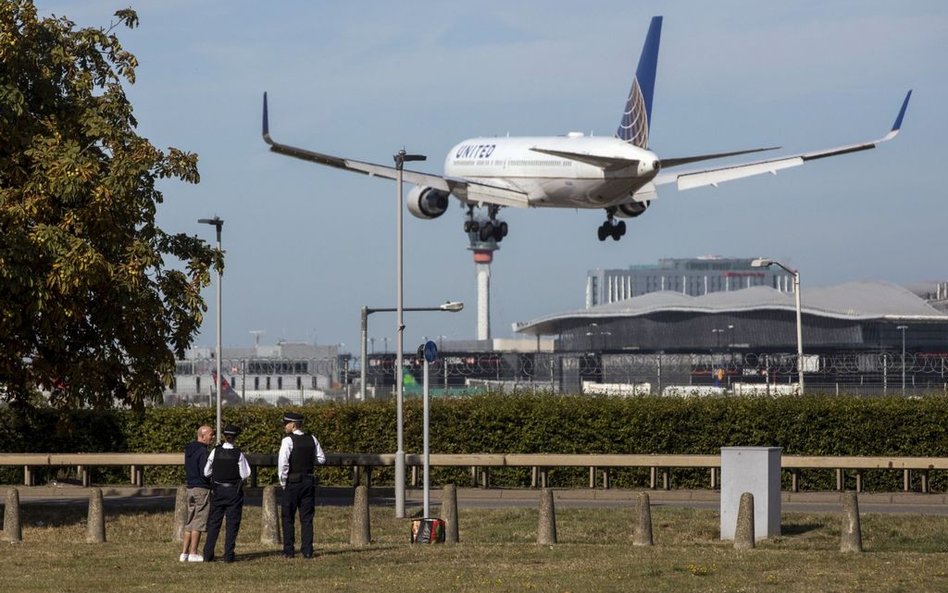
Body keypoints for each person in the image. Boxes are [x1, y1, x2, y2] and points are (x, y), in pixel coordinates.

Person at [278, 411, 326, 558]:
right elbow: (321, 459)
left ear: (293, 425)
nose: (284, 426)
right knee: (306, 517)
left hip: (292, 482)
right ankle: (307, 550)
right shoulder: (312, 439)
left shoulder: (287, 441)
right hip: (308, 481)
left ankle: (289, 550)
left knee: (288, 517)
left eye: (286, 423)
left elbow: (283, 464)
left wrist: (283, 482)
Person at [202, 424, 251, 563]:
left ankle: (208, 554)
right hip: (233, 492)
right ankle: (228, 555)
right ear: (236, 437)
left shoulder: (215, 452)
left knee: (214, 523)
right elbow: (245, 473)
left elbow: (206, 472)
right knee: (232, 524)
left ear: (224, 436)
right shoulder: (238, 454)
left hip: (217, 490)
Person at [180, 425, 214, 562]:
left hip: (190, 487)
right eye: (211, 434)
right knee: (199, 521)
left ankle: (184, 553)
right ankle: (193, 552)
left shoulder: (190, 449)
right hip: (201, 488)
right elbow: (205, 472)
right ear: (202, 435)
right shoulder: (203, 452)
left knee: (190, 520)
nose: (212, 437)